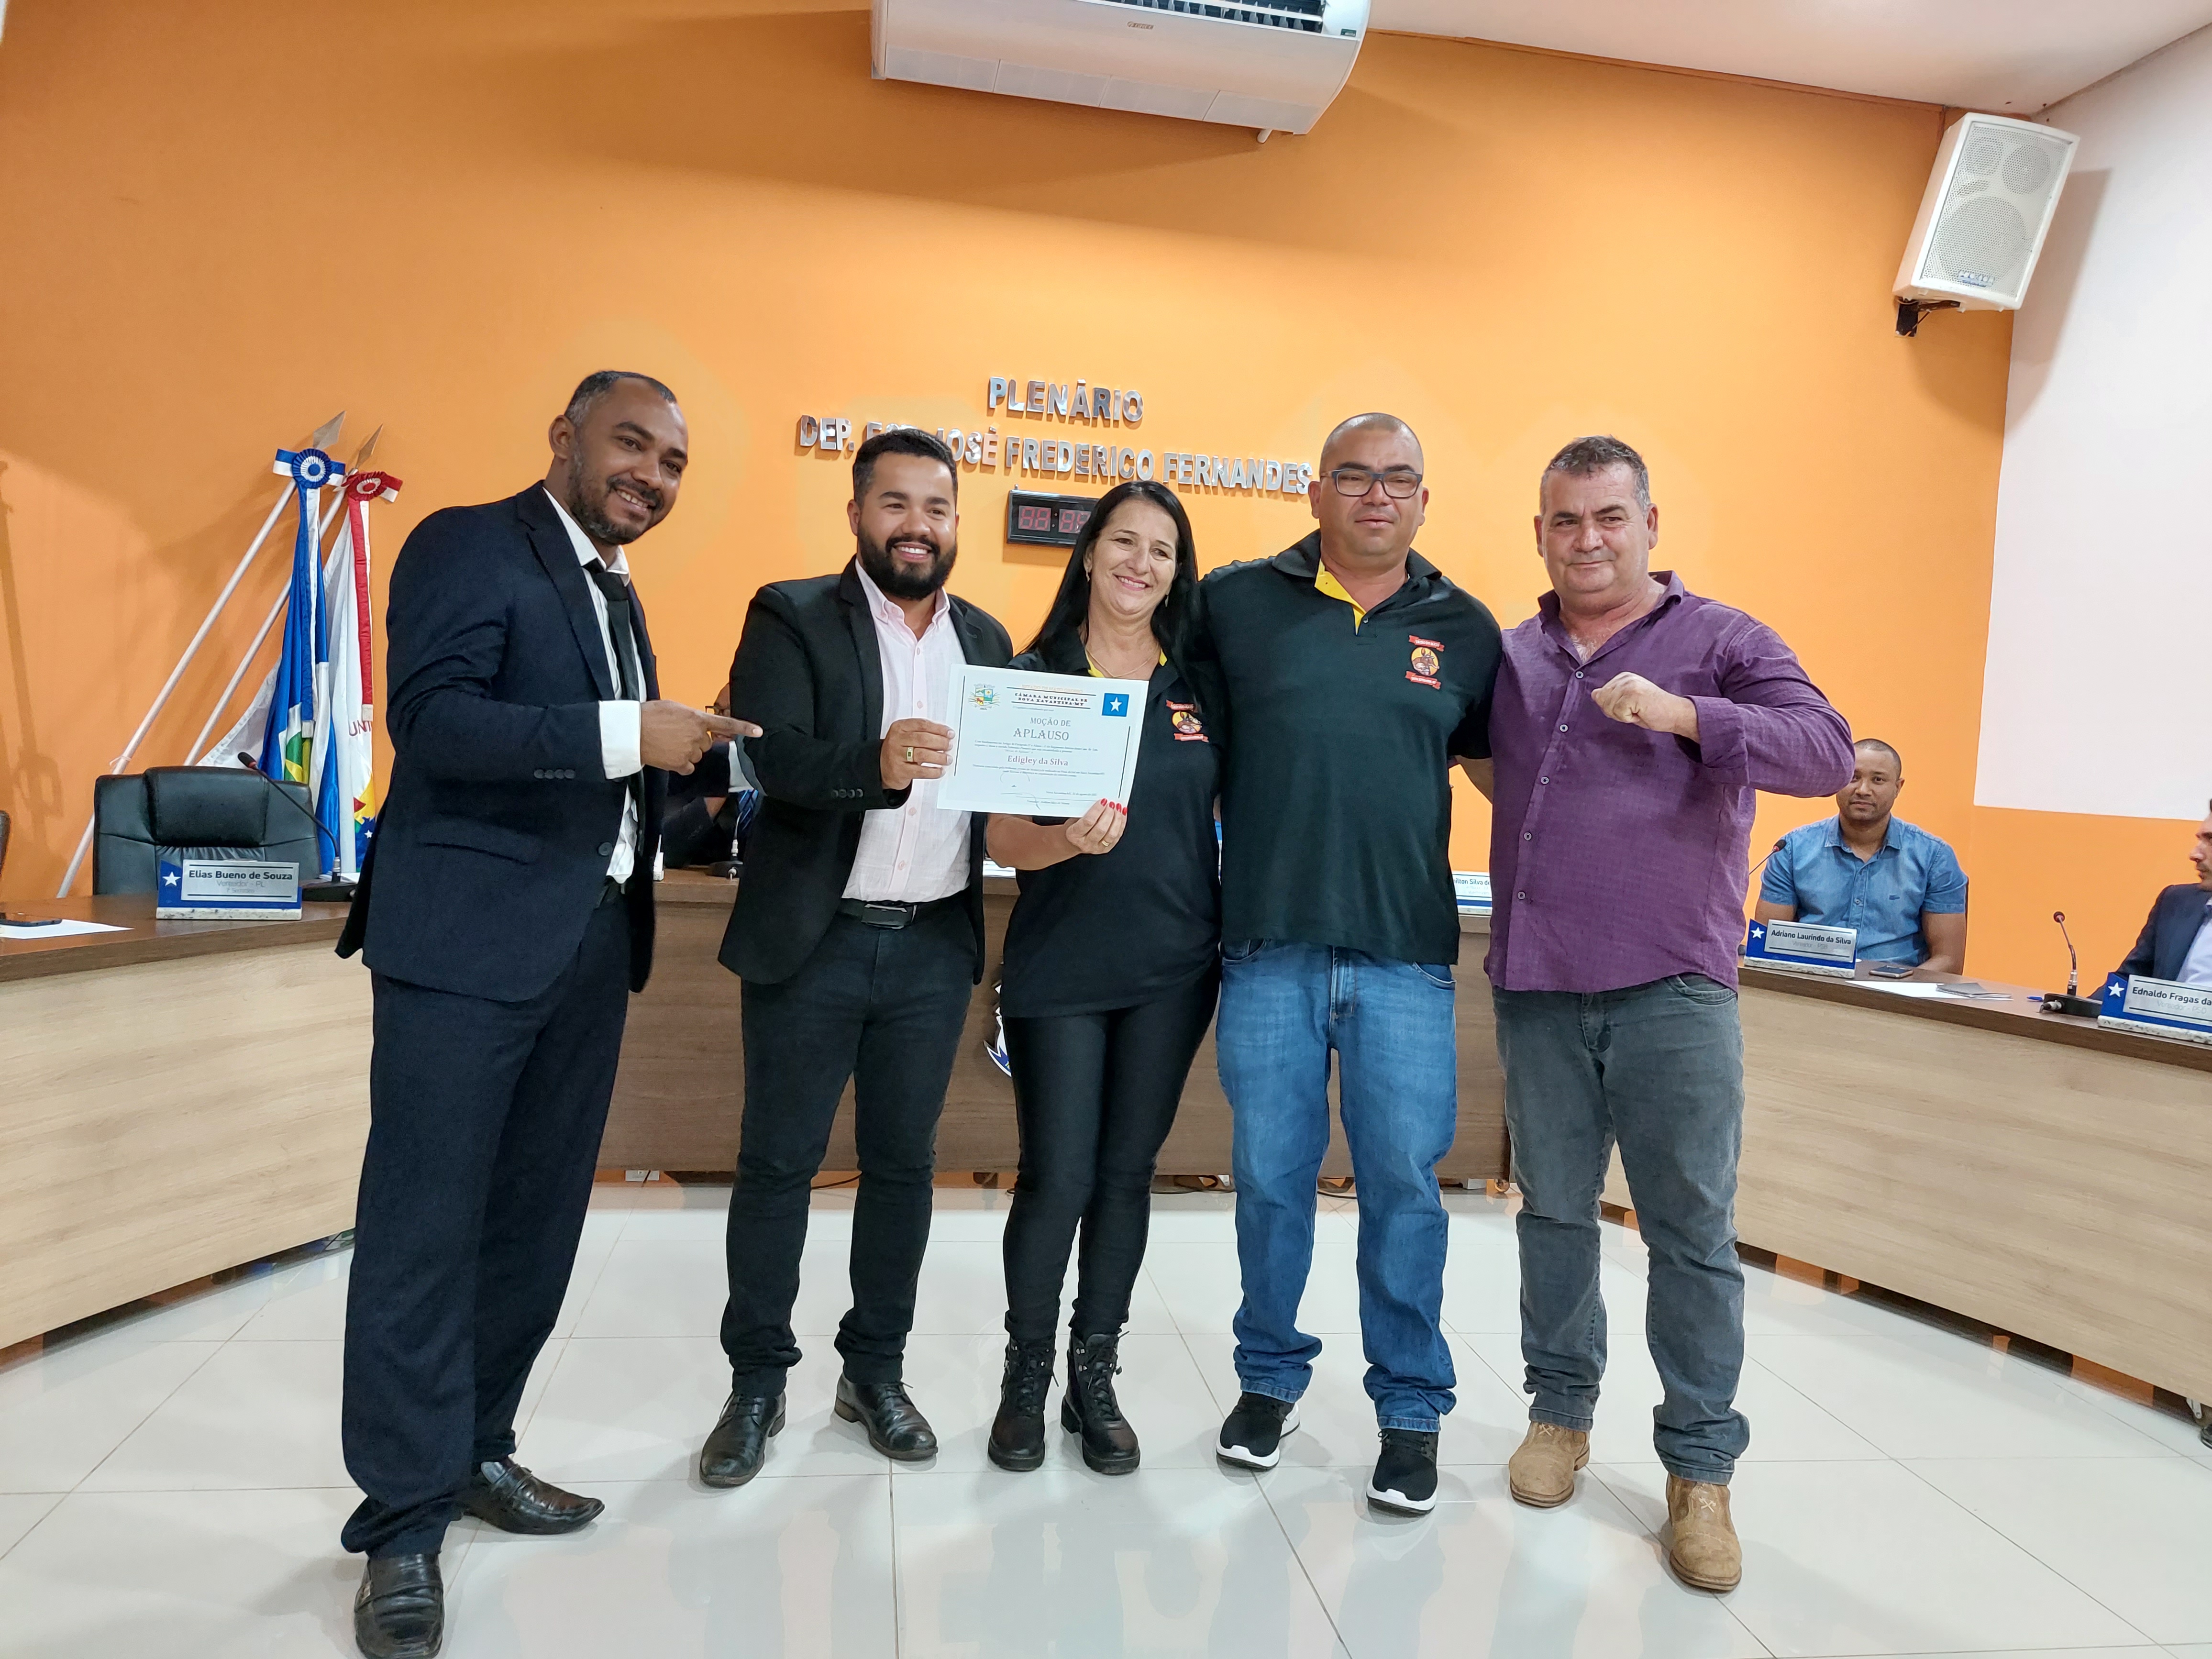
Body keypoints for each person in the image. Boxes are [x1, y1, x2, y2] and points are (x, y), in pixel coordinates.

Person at [333, 371, 754, 1659]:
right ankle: (401, 1526)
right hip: (463, 952)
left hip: (584, 954)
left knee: (530, 1229)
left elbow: (603, 790)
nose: (652, 476)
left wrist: (720, 790)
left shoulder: (617, 595)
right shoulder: (471, 543)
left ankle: (477, 1447)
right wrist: (634, 732)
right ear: (565, 438)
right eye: (633, 444)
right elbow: (438, 723)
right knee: (423, 1235)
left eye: (673, 463)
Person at [1468, 434, 1852, 1593]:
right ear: (1539, 534)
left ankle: (1698, 1471)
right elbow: (1491, 764)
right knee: (1552, 1214)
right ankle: (1558, 1413)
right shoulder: (1514, 653)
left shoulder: (1723, 641)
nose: (1586, 538)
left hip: (1673, 991)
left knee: (1689, 1233)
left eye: (1607, 517)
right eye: (1564, 520)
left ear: (1647, 524)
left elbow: (1825, 752)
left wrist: (1689, 716)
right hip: (1538, 984)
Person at [1186, 412, 1501, 1516]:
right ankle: (1267, 1380)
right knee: (1269, 1181)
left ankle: (1409, 1410)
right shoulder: (1234, 601)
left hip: (1404, 955)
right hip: (1267, 947)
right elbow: (1167, 728)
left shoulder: (1464, 627)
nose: (1376, 495)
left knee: (1405, 1191)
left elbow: (1511, 779)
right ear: (1314, 491)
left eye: (1398, 479)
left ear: (1423, 499)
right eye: (1354, 477)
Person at [699, 428, 1011, 1487]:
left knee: (904, 1168)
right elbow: (769, 754)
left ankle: (874, 1372)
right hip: (814, 940)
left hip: (930, 944)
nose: (917, 526)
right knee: (776, 1165)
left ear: (956, 523)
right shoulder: (790, 614)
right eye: (895, 504)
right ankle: (755, 1384)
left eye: (937, 508)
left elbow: (1004, 775)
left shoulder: (987, 637)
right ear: (856, 515)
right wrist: (873, 765)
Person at [983, 480, 1222, 1476]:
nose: (1139, 563)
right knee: (1057, 1174)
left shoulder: (1199, 685)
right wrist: (1061, 843)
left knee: (1126, 1174)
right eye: (1123, 541)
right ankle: (1025, 1374)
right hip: (1061, 968)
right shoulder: (1035, 676)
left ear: (1176, 572)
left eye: (1161, 550)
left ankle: (1093, 1373)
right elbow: (1000, 838)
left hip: (1173, 969)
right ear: (1088, 554)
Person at [1755, 738, 1968, 973]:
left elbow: (1948, 960)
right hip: (1810, 983)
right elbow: (1767, 944)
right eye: (1853, 777)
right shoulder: (1792, 849)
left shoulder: (1934, 857)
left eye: (1878, 780)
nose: (1863, 790)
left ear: (1898, 788)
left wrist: (1897, 989)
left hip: (1896, 988)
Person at [661, 682, 762, 869]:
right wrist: (719, 781)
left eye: (729, 713)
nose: (718, 724)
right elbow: (666, 851)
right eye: (716, 712)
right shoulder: (688, 768)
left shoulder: (782, 781)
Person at [2115, 802, 2212, 985]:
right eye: (2200, 840)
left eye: (2211, 840)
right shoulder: (2176, 902)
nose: (2195, 854)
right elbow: (2130, 980)